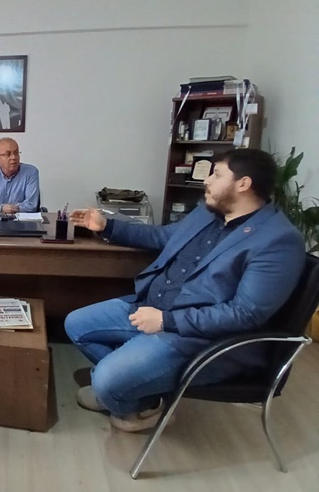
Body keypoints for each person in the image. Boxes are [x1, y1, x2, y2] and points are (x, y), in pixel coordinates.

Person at [64, 148, 305, 432]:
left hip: (197, 338)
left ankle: (128, 401)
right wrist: (107, 226)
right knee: (76, 324)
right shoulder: (208, 212)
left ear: (243, 184)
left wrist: (167, 321)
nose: (206, 180)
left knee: (105, 381)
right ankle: (137, 391)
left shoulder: (277, 240)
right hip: (151, 307)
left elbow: (245, 314)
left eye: (217, 174)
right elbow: (163, 236)